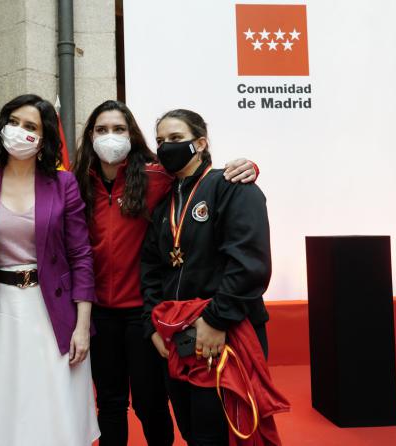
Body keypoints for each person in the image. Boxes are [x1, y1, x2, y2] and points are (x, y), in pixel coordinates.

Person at [71, 100, 258, 446]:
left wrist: (248, 167)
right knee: (109, 402)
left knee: (151, 403)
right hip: (98, 314)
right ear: (90, 135)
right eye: (101, 130)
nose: (110, 137)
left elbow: (200, 176)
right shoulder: (76, 184)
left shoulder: (156, 177)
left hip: (145, 314)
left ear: (132, 135)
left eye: (119, 129)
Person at [0, 94, 100, 446]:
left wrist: (82, 326)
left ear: (43, 138)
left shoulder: (63, 183)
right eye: (14, 122)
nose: (19, 131)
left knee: (53, 399)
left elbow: (81, 255)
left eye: (31, 127)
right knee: (3, 396)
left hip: (51, 306)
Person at [140, 108, 272, 445]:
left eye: (175, 139)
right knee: (192, 431)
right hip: (178, 337)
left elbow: (249, 263)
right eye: (160, 141)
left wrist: (216, 320)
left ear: (200, 143)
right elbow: (151, 269)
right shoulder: (164, 203)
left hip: (226, 332)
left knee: (225, 433)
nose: (166, 147)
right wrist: (152, 325)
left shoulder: (233, 187)